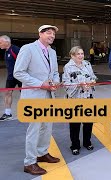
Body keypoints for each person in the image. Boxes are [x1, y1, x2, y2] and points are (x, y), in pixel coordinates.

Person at [14, 25, 60, 175]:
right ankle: (30, 162)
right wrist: (40, 84)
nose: (51, 36)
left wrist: (55, 81)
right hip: (34, 95)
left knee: (47, 127)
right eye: (48, 33)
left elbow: (54, 72)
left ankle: (42, 153)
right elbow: (19, 72)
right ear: (40, 34)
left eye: (53, 34)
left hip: (48, 95)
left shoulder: (52, 52)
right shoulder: (28, 49)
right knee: (34, 130)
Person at [62, 46, 96, 155]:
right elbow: (65, 83)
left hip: (88, 97)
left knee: (88, 122)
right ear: (72, 55)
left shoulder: (87, 64)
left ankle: (87, 142)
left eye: (82, 53)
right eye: (78, 54)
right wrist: (79, 85)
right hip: (75, 99)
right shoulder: (68, 67)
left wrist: (92, 81)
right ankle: (75, 145)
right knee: (75, 124)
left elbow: (92, 76)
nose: (81, 56)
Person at [0, 35, 21, 121]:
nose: (0, 44)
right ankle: (7, 114)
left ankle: (29, 111)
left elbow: (25, 61)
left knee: (25, 94)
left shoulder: (15, 49)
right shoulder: (6, 51)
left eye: (0, 42)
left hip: (19, 76)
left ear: (7, 42)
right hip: (10, 77)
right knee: (8, 93)